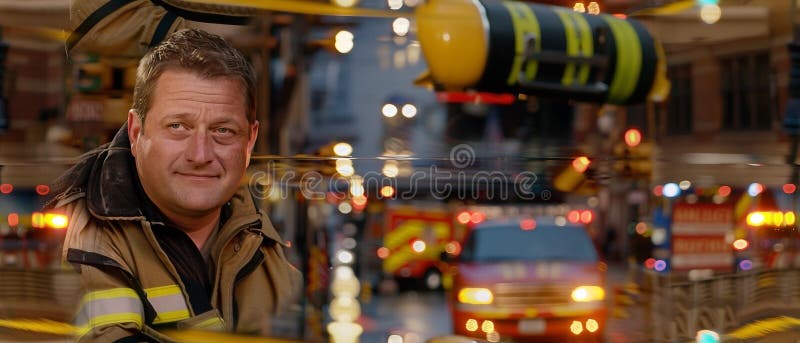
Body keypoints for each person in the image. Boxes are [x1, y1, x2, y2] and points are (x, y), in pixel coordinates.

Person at [47, 29, 301, 342]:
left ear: (249, 141)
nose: (200, 155)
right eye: (178, 127)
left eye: (222, 130)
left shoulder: (264, 249)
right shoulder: (85, 241)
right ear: (136, 133)